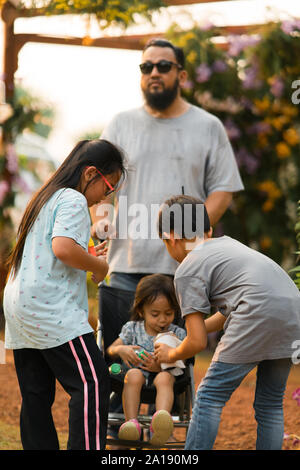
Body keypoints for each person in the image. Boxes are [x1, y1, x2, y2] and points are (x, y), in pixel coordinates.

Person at [92, 38, 244, 437]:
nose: (154, 73)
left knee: (176, 363)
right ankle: (119, 428)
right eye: (146, 68)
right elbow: (102, 185)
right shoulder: (120, 123)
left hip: (181, 270)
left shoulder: (207, 126)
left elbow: (223, 190)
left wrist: (188, 235)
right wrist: (101, 220)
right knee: (122, 359)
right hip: (124, 266)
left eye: (163, 66)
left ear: (181, 74)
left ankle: (172, 429)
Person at [3, 139, 127, 450]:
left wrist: (84, 253)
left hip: (20, 306)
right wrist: (100, 264)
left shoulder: (45, 197)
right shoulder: (73, 199)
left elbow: (46, 250)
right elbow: (61, 248)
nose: (105, 197)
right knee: (93, 383)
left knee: (36, 395)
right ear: (90, 174)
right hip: (50, 309)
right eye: (108, 187)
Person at [154, 194, 300, 450]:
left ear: (172, 237)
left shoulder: (187, 268)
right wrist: (183, 336)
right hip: (293, 312)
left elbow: (197, 342)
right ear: (207, 230)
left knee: (209, 396)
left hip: (256, 311)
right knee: (270, 403)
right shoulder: (229, 246)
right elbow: (228, 311)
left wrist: (172, 353)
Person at [106, 274, 186, 446]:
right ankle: (131, 424)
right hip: (136, 374)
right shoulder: (132, 329)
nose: (163, 319)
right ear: (142, 311)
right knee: (133, 374)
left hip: (163, 374)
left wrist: (166, 362)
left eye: (169, 313)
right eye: (155, 314)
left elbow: (184, 357)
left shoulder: (177, 333)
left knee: (165, 378)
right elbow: (111, 349)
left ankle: (160, 424)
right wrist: (122, 349)